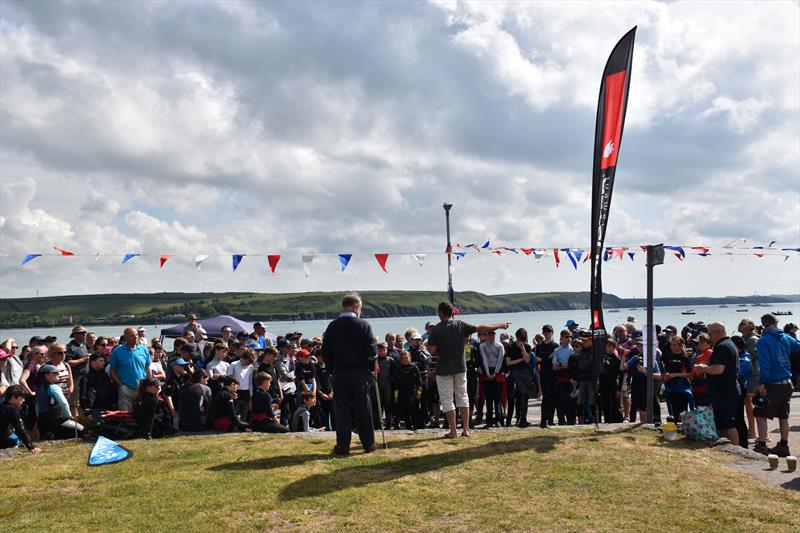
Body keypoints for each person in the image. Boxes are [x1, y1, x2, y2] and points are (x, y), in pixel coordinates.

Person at [426, 301, 510, 439]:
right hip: (460, 367)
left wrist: (442, 352)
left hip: (444, 368)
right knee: (463, 397)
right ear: (452, 311)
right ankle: (466, 429)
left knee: (447, 399)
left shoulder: (436, 329)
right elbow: (480, 328)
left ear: (440, 313)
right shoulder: (461, 325)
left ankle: (453, 431)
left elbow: (432, 349)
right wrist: (500, 325)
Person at [320, 292, 378, 456]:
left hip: (339, 372)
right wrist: (370, 369)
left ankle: (343, 446)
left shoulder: (333, 326)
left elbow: (325, 351)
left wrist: (332, 369)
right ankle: (369, 444)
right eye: (360, 307)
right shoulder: (363, 325)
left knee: (342, 410)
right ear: (356, 307)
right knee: (363, 409)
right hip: (359, 372)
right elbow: (372, 352)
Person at [752, 313, 800, 457]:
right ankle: (784, 445)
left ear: (762, 325)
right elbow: (798, 347)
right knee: (783, 415)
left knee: (760, 413)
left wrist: (762, 383)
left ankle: (762, 445)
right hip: (787, 382)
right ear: (776, 322)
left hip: (773, 383)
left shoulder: (763, 341)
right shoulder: (786, 337)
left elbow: (765, 364)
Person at [693, 322, 740, 446]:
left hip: (724, 391)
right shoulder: (728, 344)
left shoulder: (722, 346)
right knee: (722, 423)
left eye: (710, 333)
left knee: (728, 424)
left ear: (717, 332)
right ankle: (725, 447)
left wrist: (703, 368)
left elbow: (719, 369)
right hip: (725, 390)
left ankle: (736, 450)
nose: (709, 336)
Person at [35, 364, 84, 439]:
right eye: (55, 373)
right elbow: (64, 403)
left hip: (42, 421)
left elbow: (37, 406)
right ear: (47, 375)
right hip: (57, 421)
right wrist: (69, 416)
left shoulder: (39, 387)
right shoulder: (54, 387)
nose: (58, 374)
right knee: (81, 429)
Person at [110, 327, 151, 412]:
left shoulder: (144, 350)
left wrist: (149, 382)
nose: (136, 337)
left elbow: (148, 367)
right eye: (132, 335)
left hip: (141, 388)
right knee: (125, 415)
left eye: (136, 335)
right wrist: (120, 385)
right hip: (125, 388)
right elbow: (112, 370)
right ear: (125, 338)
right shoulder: (117, 352)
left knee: (142, 413)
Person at [505, 328, 533, 428]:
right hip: (514, 374)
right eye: (519, 339)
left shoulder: (527, 347)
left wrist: (522, 349)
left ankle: (523, 419)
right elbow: (508, 362)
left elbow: (527, 360)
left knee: (524, 396)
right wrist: (520, 359)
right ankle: (508, 421)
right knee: (512, 398)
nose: (521, 342)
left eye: (523, 340)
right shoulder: (510, 347)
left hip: (524, 373)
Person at [661, 336, 693, 422]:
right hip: (670, 386)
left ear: (680, 345)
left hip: (681, 387)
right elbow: (665, 371)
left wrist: (675, 375)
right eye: (671, 345)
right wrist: (665, 376)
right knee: (673, 410)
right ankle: (674, 427)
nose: (672, 347)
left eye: (674, 345)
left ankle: (684, 426)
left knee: (682, 411)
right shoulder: (668, 357)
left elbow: (690, 374)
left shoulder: (685, 358)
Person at [1, 385, 41, 453]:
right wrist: (30, 446)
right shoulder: (12, 409)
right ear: (13, 397)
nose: (23, 400)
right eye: (22, 397)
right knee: (15, 440)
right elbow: (19, 429)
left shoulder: (2, 405)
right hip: (3, 441)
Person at [79, 353, 116, 421]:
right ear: (93, 362)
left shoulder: (105, 376)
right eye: (101, 361)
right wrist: (87, 412)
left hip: (107, 408)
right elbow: (83, 396)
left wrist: (113, 405)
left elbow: (111, 391)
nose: (103, 363)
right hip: (94, 410)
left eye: (104, 361)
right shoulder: (86, 378)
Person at [479, 331, 505, 428]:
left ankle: (498, 420)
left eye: (493, 335)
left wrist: (495, 373)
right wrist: (488, 374)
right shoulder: (483, 346)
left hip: (496, 371)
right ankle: (489, 421)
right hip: (487, 371)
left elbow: (500, 360)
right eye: (489, 335)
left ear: (495, 335)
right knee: (488, 398)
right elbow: (484, 359)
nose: (491, 336)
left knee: (497, 398)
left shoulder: (500, 346)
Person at [392, 351, 422, 430]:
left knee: (413, 410)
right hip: (402, 393)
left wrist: (419, 394)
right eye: (403, 358)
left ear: (410, 358)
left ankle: (416, 426)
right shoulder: (398, 369)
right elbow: (396, 385)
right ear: (400, 360)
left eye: (406, 358)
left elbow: (419, 383)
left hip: (413, 392)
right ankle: (408, 426)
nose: (405, 360)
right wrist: (395, 397)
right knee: (405, 411)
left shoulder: (414, 368)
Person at [535, 325, 558, 428]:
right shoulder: (540, 346)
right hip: (544, 373)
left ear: (552, 332)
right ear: (543, 333)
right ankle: (543, 420)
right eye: (545, 331)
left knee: (553, 397)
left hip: (553, 373)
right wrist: (547, 359)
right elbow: (537, 359)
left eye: (548, 331)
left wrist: (544, 359)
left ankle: (551, 420)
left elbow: (553, 360)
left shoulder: (556, 346)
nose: (547, 333)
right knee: (546, 397)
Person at [552, 330, 575, 425]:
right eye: (566, 337)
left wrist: (561, 364)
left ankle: (571, 421)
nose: (568, 339)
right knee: (560, 402)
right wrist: (564, 365)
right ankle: (561, 421)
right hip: (560, 380)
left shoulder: (573, 349)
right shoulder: (557, 350)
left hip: (570, 379)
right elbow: (554, 367)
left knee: (570, 402)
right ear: (561, 338)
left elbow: (572, 365)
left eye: (570, 337)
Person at [227, 350, 256, 421]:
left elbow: (250, 383)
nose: (247, 364)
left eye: (249, 363)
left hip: (246, 393)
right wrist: (231, 392)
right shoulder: (234, 364)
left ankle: (243, 427)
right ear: (243, 358)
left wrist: (251, 397)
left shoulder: (251, 367)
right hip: (235, 392)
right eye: (247, 362)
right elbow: (228, 379)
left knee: (244, 413)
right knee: (235, 412)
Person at [690, 334, 714, 407]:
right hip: (702, 388)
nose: (698, 345)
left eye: (701, 343)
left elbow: (693, 374)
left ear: (709, 343)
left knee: (704, 412)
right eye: (698, 343)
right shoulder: (700, 356)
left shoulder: (708, 353)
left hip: (705, 389)